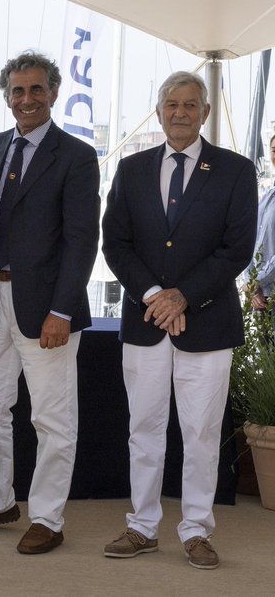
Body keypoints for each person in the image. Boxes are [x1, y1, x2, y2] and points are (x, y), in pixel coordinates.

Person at [101, 71, 256, 570]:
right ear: (159, 110)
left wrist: (183, 297)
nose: (180, 112)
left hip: (207, 324)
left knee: (201, 433)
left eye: (191, 104)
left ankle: (196, 531)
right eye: (172, 104)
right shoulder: (131, 169)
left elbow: (237, 248)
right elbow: (115, 243)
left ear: (205, 112)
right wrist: (154, 296)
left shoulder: (235, 170)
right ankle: (142, 527)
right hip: (145, 320)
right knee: (143, 430)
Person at [0, 51, 100, 554]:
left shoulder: (76, 156)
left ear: (54, 93)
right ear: (7, 97)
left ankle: (48, 518)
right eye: (17, 91)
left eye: (36, 89)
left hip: (45, 304)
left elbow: (82, 240)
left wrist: (62, 310)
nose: (26, 99)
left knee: (52, 418)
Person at [246, 135, 275, 311]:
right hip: (260, 296)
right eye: (274, 150)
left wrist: (256, 282)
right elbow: (251, 241)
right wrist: (251, 282)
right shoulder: (266, 196)